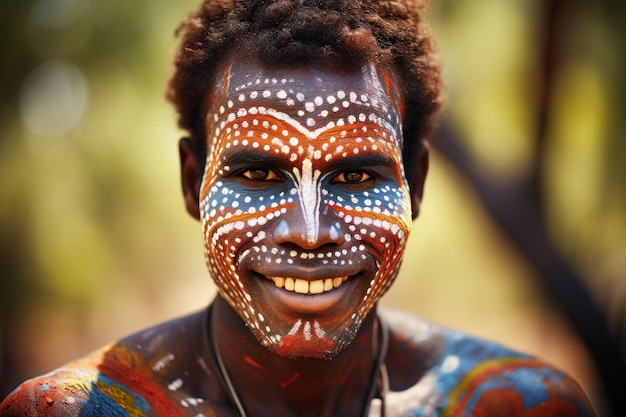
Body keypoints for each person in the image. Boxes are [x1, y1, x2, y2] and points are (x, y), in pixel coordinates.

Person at [1, 0, 597, 416]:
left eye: (357, 175)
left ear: (415, 184)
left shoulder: (521, 406)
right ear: (192, 182)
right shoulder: (75, 411)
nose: (309, 233)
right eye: (258, 174)